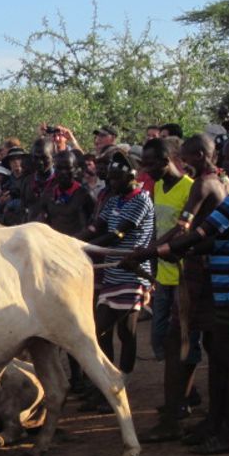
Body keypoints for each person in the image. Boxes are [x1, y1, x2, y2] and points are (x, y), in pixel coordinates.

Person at [127, 132, 229, 454]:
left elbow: (198, 234)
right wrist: (166, 250)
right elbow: (209, 241)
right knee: (222, 358)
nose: (225, 162)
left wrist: (155, 251)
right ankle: (217, 424)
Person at [79, 151, 155, 411]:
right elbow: (97, 227)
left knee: (123, 332)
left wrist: (82, 248)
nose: (111, 183)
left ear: (131, 176)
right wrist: (70, 241)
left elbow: (116, 234)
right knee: (103, 332)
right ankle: (108, 384)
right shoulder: (114, 199)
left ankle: (119, 383)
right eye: (109, 179)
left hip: (132, 274)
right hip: (113, 274)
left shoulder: (141, 200)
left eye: (115, 178)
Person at [141, 137, 194, 362]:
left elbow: (184, 230)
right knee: (159, 334)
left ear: (165, 161)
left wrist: (150, 250)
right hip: (163, 272)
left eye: (150, 164)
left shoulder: (190, 187)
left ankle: (186, 386)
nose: (146, 170)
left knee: (183, 332)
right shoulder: (160, 187)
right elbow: (157, 225)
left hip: (184, 273)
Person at [39, 150, 94, 237]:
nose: (63, 172)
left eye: (68, 168)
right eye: (59, 168)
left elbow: (94, 225)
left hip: (77, 245)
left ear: (75, 170)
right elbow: (43, 222)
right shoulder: (48, 194)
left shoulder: (85, 195)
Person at [20, 138, 55, 222]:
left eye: (44, 158)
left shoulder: (60, 182)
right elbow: (23, 209)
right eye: (36, 157)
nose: (40, 162)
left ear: (53, 157)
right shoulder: (27, 182)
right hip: (31, 231)